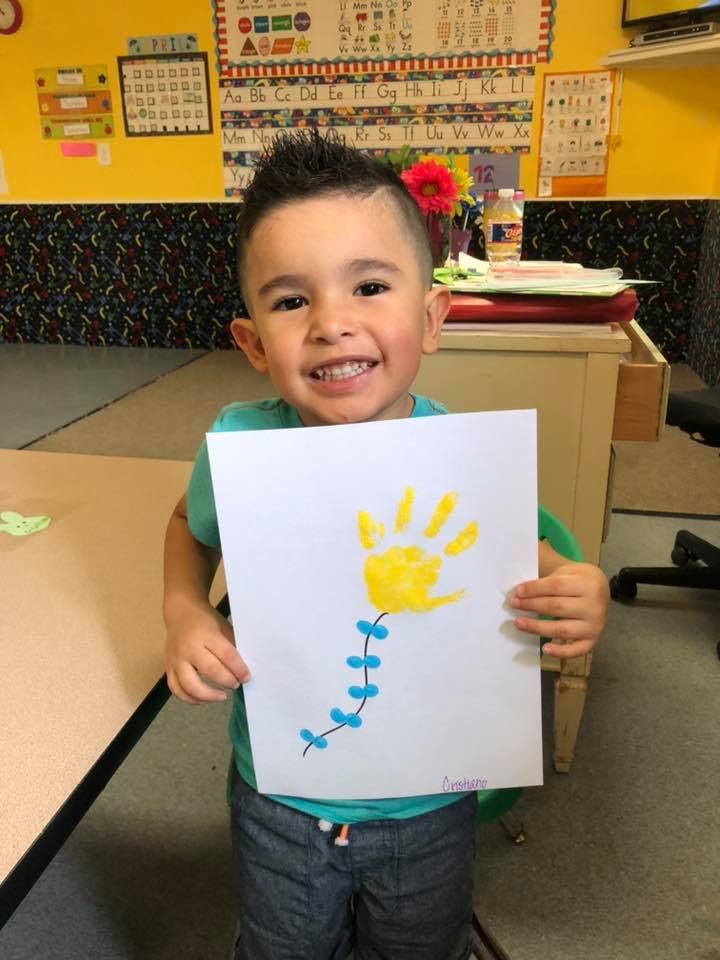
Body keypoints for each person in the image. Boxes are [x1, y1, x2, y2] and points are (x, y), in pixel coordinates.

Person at [162, 128, 609, 960]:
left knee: (422, 945)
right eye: (290, 302)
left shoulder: (457, 454)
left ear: (431, 318)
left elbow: (528, 552)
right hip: (283, 797)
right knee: (282, 946)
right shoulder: (240, 443)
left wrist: (577, 584)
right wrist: (184, 609)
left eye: (369, 286)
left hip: (428, 801)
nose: (333, 324)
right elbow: (189, 529)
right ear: (252, 343)